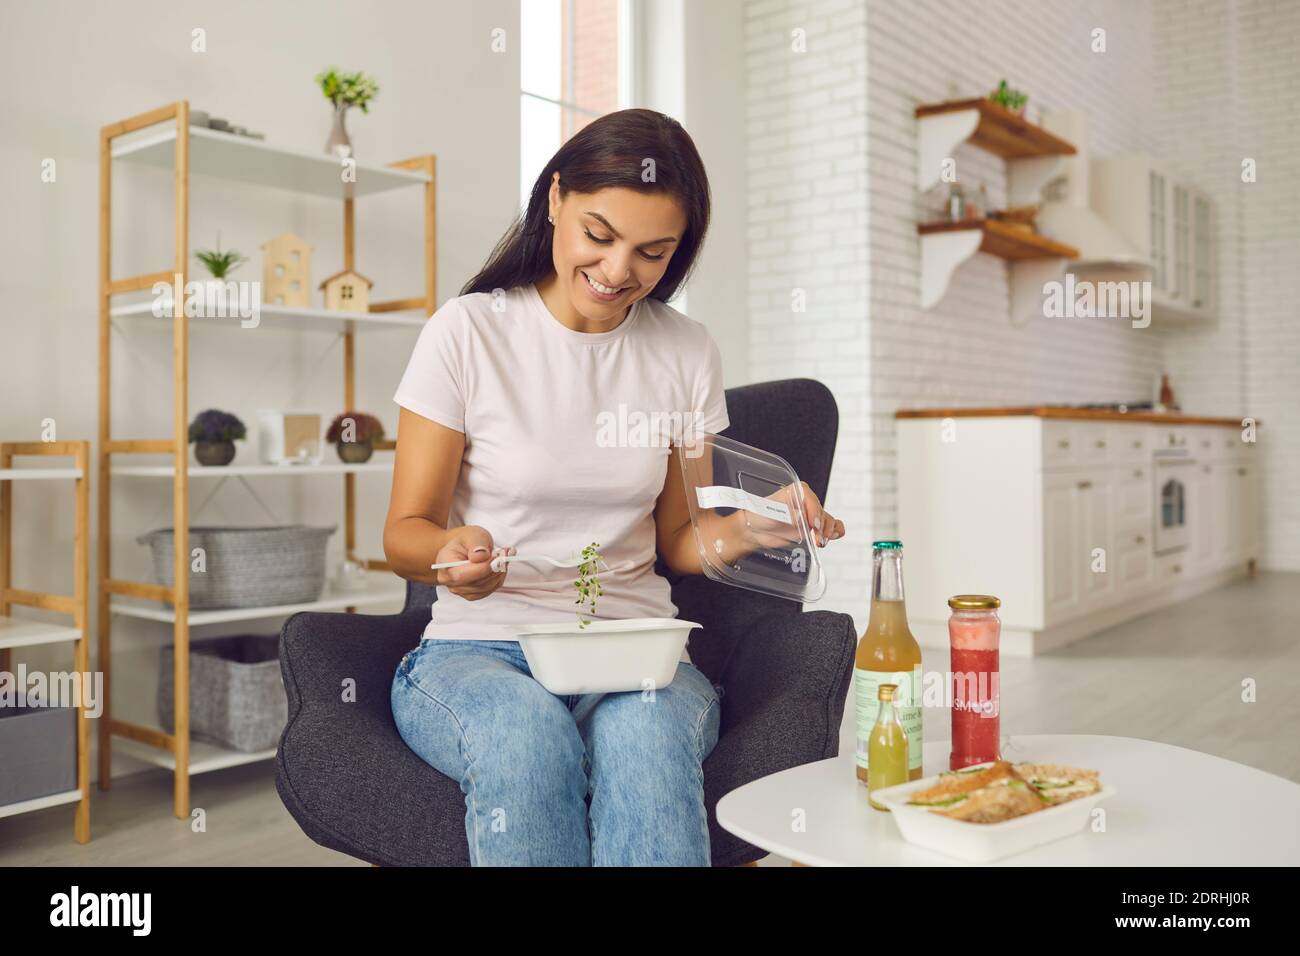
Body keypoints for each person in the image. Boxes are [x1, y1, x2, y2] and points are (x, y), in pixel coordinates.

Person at [384, 108, 845, 866]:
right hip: (480, 650)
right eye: (599, 235)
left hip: (637, 653)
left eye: (652, 252)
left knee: (647, 736)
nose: (618, 270)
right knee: (526, 737)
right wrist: (449, 553)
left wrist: (756, 527)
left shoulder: (685, 352)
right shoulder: (466, 333)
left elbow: (682, 541)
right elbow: (404, 531)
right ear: (556, 199)